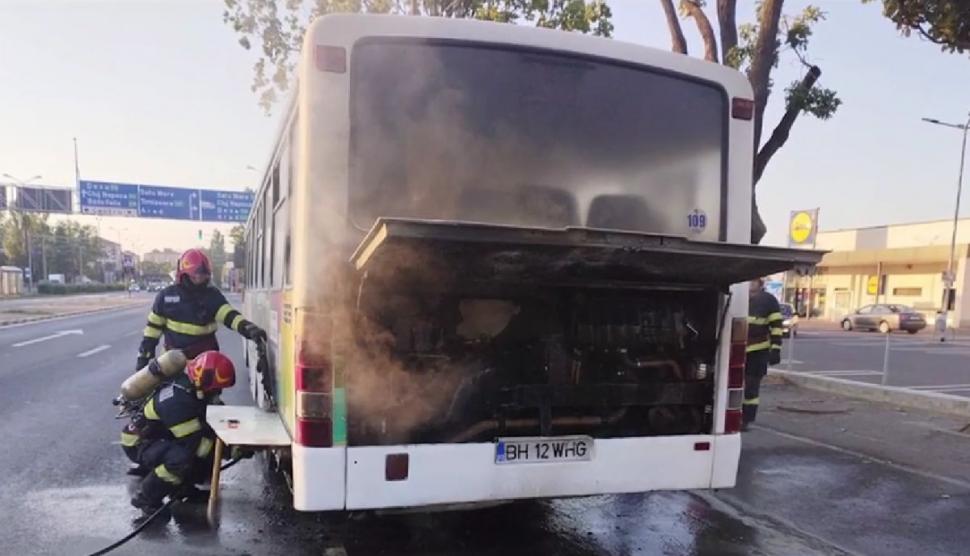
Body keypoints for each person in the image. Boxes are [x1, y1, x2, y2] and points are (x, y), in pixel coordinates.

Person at [123, 351, 246, 518]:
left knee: (200, 449)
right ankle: (146, 498)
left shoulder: (192, 386)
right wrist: (230, 451)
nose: (218, 393)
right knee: (181, 458)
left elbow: (213, 419)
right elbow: (194, 443)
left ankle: (183, 490)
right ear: (205, 380)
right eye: (216, 389)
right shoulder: (177, 401)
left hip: (163, 436)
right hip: (139, 442)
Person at [136, 248, 266, 369]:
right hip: (173, 363)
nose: (200, 278)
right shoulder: (166, 296)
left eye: (203, 275)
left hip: (205, 363)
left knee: (215, 390)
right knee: (163, 392)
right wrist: (144, 357)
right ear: (184, 274)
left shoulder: (212, 295)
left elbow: (229, 315)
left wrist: (247, 328)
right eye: (196, 275)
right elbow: (152, 331)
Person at [744, 277, 783, 430]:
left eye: (753, 281)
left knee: (751, 388)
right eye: (749, 281)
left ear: (760, 284)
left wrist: (776, 349)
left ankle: (746, 419)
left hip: (758, 351)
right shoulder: (739, 298)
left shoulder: (769, 300)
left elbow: (777, 327)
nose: (750, 284)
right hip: (737, 349)